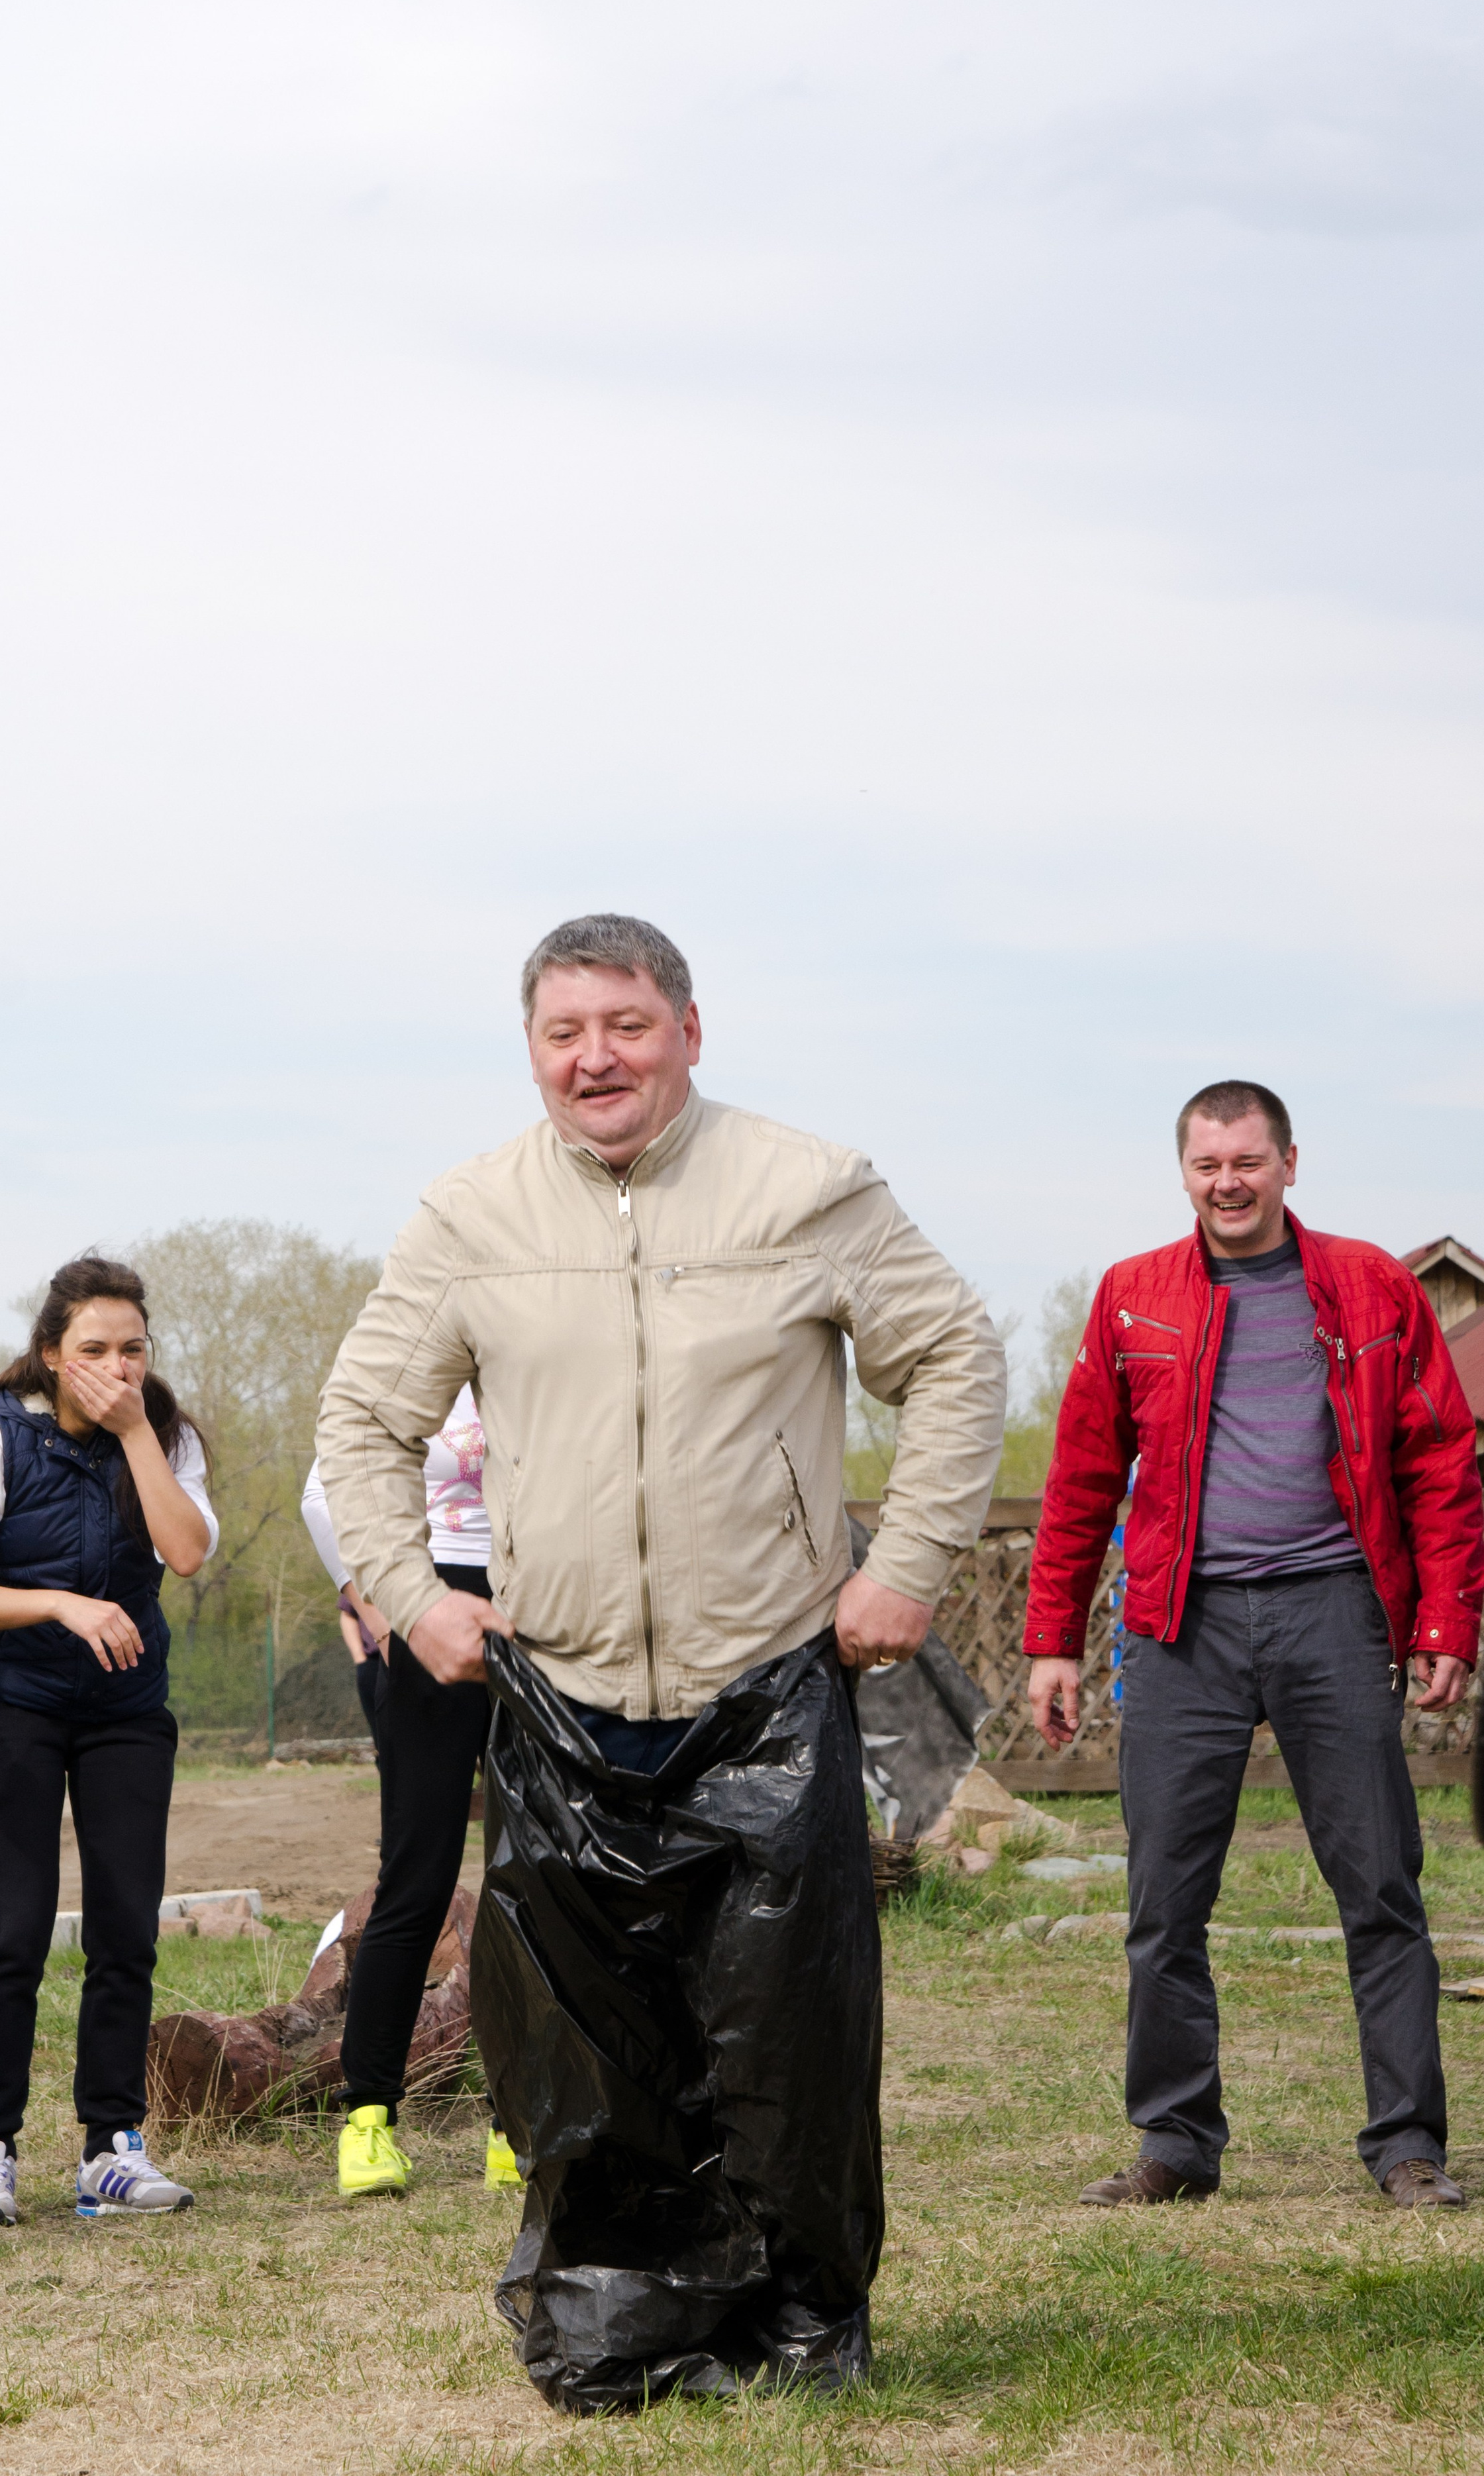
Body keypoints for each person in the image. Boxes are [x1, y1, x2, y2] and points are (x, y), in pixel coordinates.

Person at [316, 913, 1005, 2409]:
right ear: (530, 1050)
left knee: (783, 2039)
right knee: (582, 2047)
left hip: (762, 1688)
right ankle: (620, 2325)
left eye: (624, 1025)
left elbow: (951, 1352)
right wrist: (413, 1596)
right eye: (563, 1032)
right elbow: (361, 1422)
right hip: (561, 1700)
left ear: (689, 1029)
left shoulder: (806, 1187)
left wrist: (906, 1563)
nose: (594, 1058)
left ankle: (801, 2317)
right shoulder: (468, 1216)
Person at [1025, 1081, 1484, 2210]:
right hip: (1185, 1628)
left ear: (1288, 1162)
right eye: (1206, 1164)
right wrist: (1054, 1641)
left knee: (1380, 1885)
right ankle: (1176, 2146)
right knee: (1164, 1900)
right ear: (1185, 1172)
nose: (1227, 1182)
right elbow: (1083, 1474)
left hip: (1335, 1610)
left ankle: (1408, 2146)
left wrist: (1443, 1619)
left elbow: (1439, 1462)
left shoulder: (1374, 1286)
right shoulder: (1134, 1298)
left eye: (1247, 1161)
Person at [0, 1255, 217, 2230]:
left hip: (128, 1712)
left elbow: (187, 1549)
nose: (115, 1366)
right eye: (93, 1349)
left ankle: (110, 2152)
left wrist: (137, 1435)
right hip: (14, 1708)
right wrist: (58, 1602)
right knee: (17, 1929)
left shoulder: (163, 1438)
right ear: (51, 1355)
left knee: (127, 1928)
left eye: (132, 1349)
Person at [300, 1384, 521, 2194]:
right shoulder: (404, 1357)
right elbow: (325, 1489)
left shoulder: (542, 1339)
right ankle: (369, 2119)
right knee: (418, 1875)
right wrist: (378, 1605)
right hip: (428, 1605)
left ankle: (520, 2120)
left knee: (532, 1876)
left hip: (540, 1612)